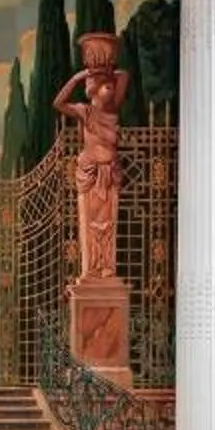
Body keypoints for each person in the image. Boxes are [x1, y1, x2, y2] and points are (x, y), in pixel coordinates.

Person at [54, 31, 128, 281]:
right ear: (93, 91)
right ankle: (91, 270)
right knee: (91, 225)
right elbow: (58, 103)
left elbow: (124, 75)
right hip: (90, 173)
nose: (112, 87)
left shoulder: (113, 108)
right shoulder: (85, 111)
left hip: (110, 174)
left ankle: (106, 268)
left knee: (108, 225)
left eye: (110, 85)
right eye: (106, 86)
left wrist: (104, 69)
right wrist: (78, 78)